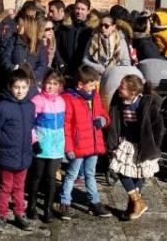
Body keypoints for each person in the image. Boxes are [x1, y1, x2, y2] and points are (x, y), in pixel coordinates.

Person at [105, 74, 163, 221]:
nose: (119, 89)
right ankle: (137, 201)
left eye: (122, 88)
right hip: (126, 142)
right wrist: (112, 144)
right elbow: (115, 123)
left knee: (139, 173)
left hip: (143, 143)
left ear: (132, 92)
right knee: (120, 169)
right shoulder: (118, 102)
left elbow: (158, 126)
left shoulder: (145, 104)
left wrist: (154, 145)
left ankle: (133, 205)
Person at [59, 65, 112, 220]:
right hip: (78, 146)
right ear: (80, 84)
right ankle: (65, 202)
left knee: (90, 174)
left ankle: (94, 202)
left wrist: (104, 120)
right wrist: (68, 147)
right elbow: (66, 125)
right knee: (71, 174)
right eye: (91, 83)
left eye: (95, 83)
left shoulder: (94, 96)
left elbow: (102, 113)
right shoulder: (70, 99)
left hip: (94, 144)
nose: (95, 86)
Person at [0, 70, 36, 232]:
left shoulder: (31, 106)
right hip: (7, 155)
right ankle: (0, 215)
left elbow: (31, 128)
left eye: (23, 87)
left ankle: (19, 213)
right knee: (5, 187)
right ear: (10, 87)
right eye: (16, 87)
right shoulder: (1, 107)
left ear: (28, 86)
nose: (20, 91)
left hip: (24, 155)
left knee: (20, 187)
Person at [27, 71, 66, 223]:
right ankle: (31, 206)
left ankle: (47, 208)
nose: (50, 86)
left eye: (54, 84)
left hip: (56, 147)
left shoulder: (62, 101)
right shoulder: (37, 100)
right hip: (41, 145)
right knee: (36, 177)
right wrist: (34, 141)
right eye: (48, 83)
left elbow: (63, 124)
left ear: (60, 86)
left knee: (51, 178)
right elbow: (30, 123)